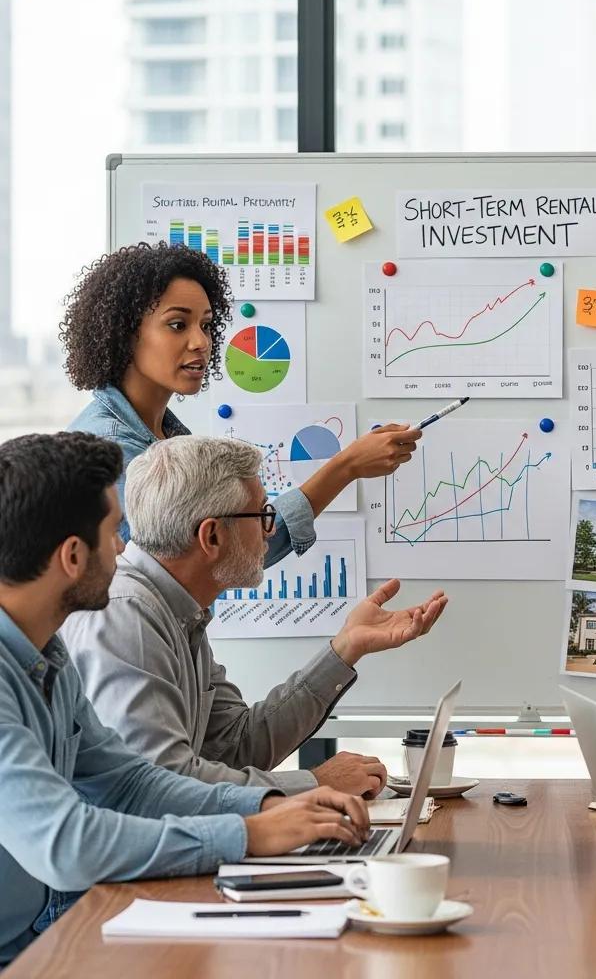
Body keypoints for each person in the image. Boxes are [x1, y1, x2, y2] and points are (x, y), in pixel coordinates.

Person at [0, 432, 372, 966]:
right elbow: (67, 844)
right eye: (112, 534)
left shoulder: (48, 653)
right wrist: (245, 834)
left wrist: (266, 806)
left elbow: (130, 779)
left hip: (47, 933)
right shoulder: (110, 624)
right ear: (73, 556)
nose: (125, 549)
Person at [62, 435, 448, 797]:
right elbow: (162, 783)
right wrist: (312, 784)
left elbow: (236, 745)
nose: (269, 532)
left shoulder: (177, 609)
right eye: (262, 513)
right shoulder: (126, 615)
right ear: (211, 536)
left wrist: (346, 648)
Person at [61, 241, 420, 566]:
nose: (200, 341)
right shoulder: (109, 451)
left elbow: (227, 551)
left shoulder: (165, 435)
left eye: (205, 325)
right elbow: (213, 559)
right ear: (124, 332)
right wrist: (346, 467)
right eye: (177, 325)